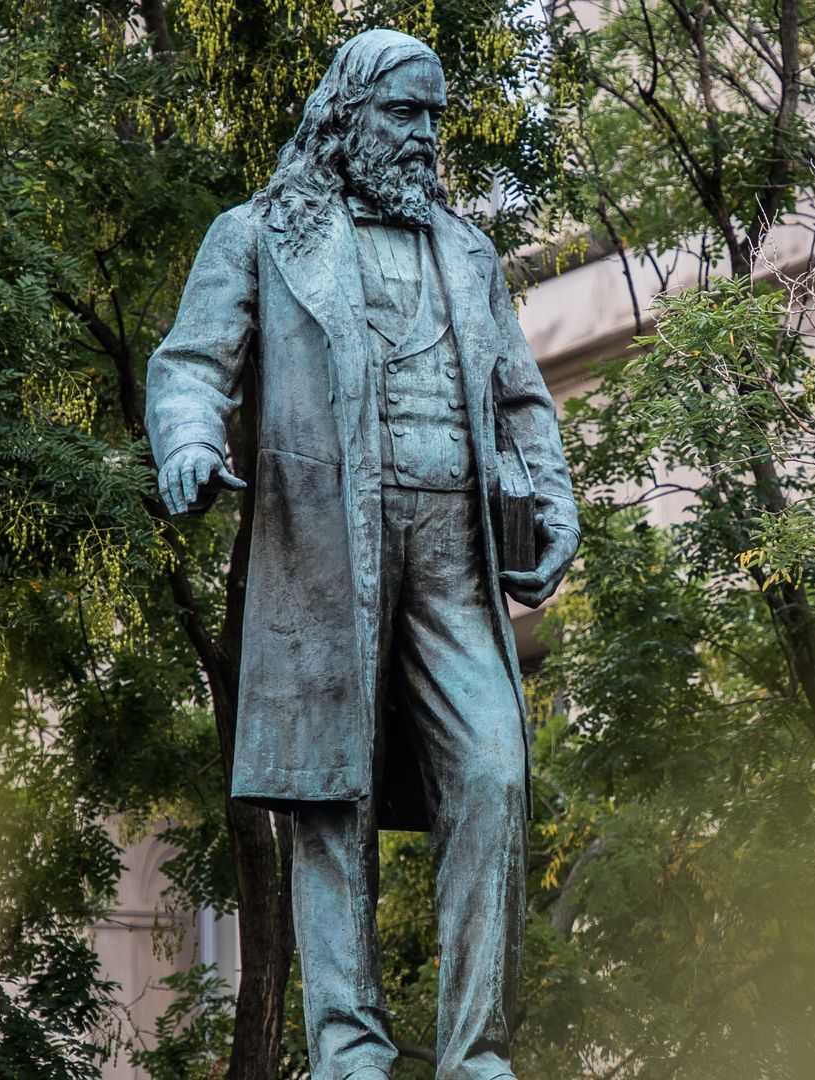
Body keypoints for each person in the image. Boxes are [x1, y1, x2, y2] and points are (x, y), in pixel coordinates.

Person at [143, 29, 577, 1080]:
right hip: (328, 547)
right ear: (346, 117)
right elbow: (191, 365)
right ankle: (350, 1053)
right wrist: (191, 443)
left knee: (493, 774)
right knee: (330, 797)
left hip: (456, 554)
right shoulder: (259, 233)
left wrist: (555, 500)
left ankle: (477, 1054)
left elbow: (521, 400)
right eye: (403, 113)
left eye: (434, 117)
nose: (424, 135)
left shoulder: (466, 252)